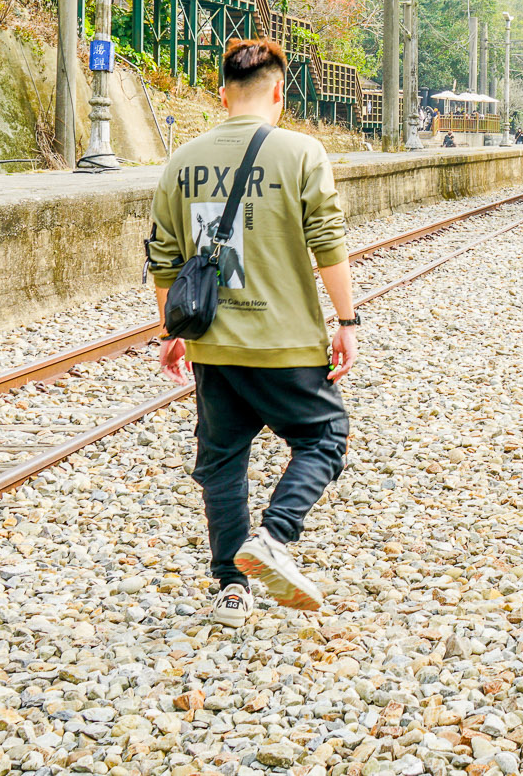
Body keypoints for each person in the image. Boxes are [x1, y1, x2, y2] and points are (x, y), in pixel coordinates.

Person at [149, 38, 360, 626]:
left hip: (213, 339)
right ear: (278, 93)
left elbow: (165, 254)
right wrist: (346, 321)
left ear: (222, 94)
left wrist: (174, 329)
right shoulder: (301, 152)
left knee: (221, 460)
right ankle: (274, 535)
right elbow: (327, 241)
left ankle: (231, 590)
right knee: (324, 436)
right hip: (285, 338)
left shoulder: (182, 158)